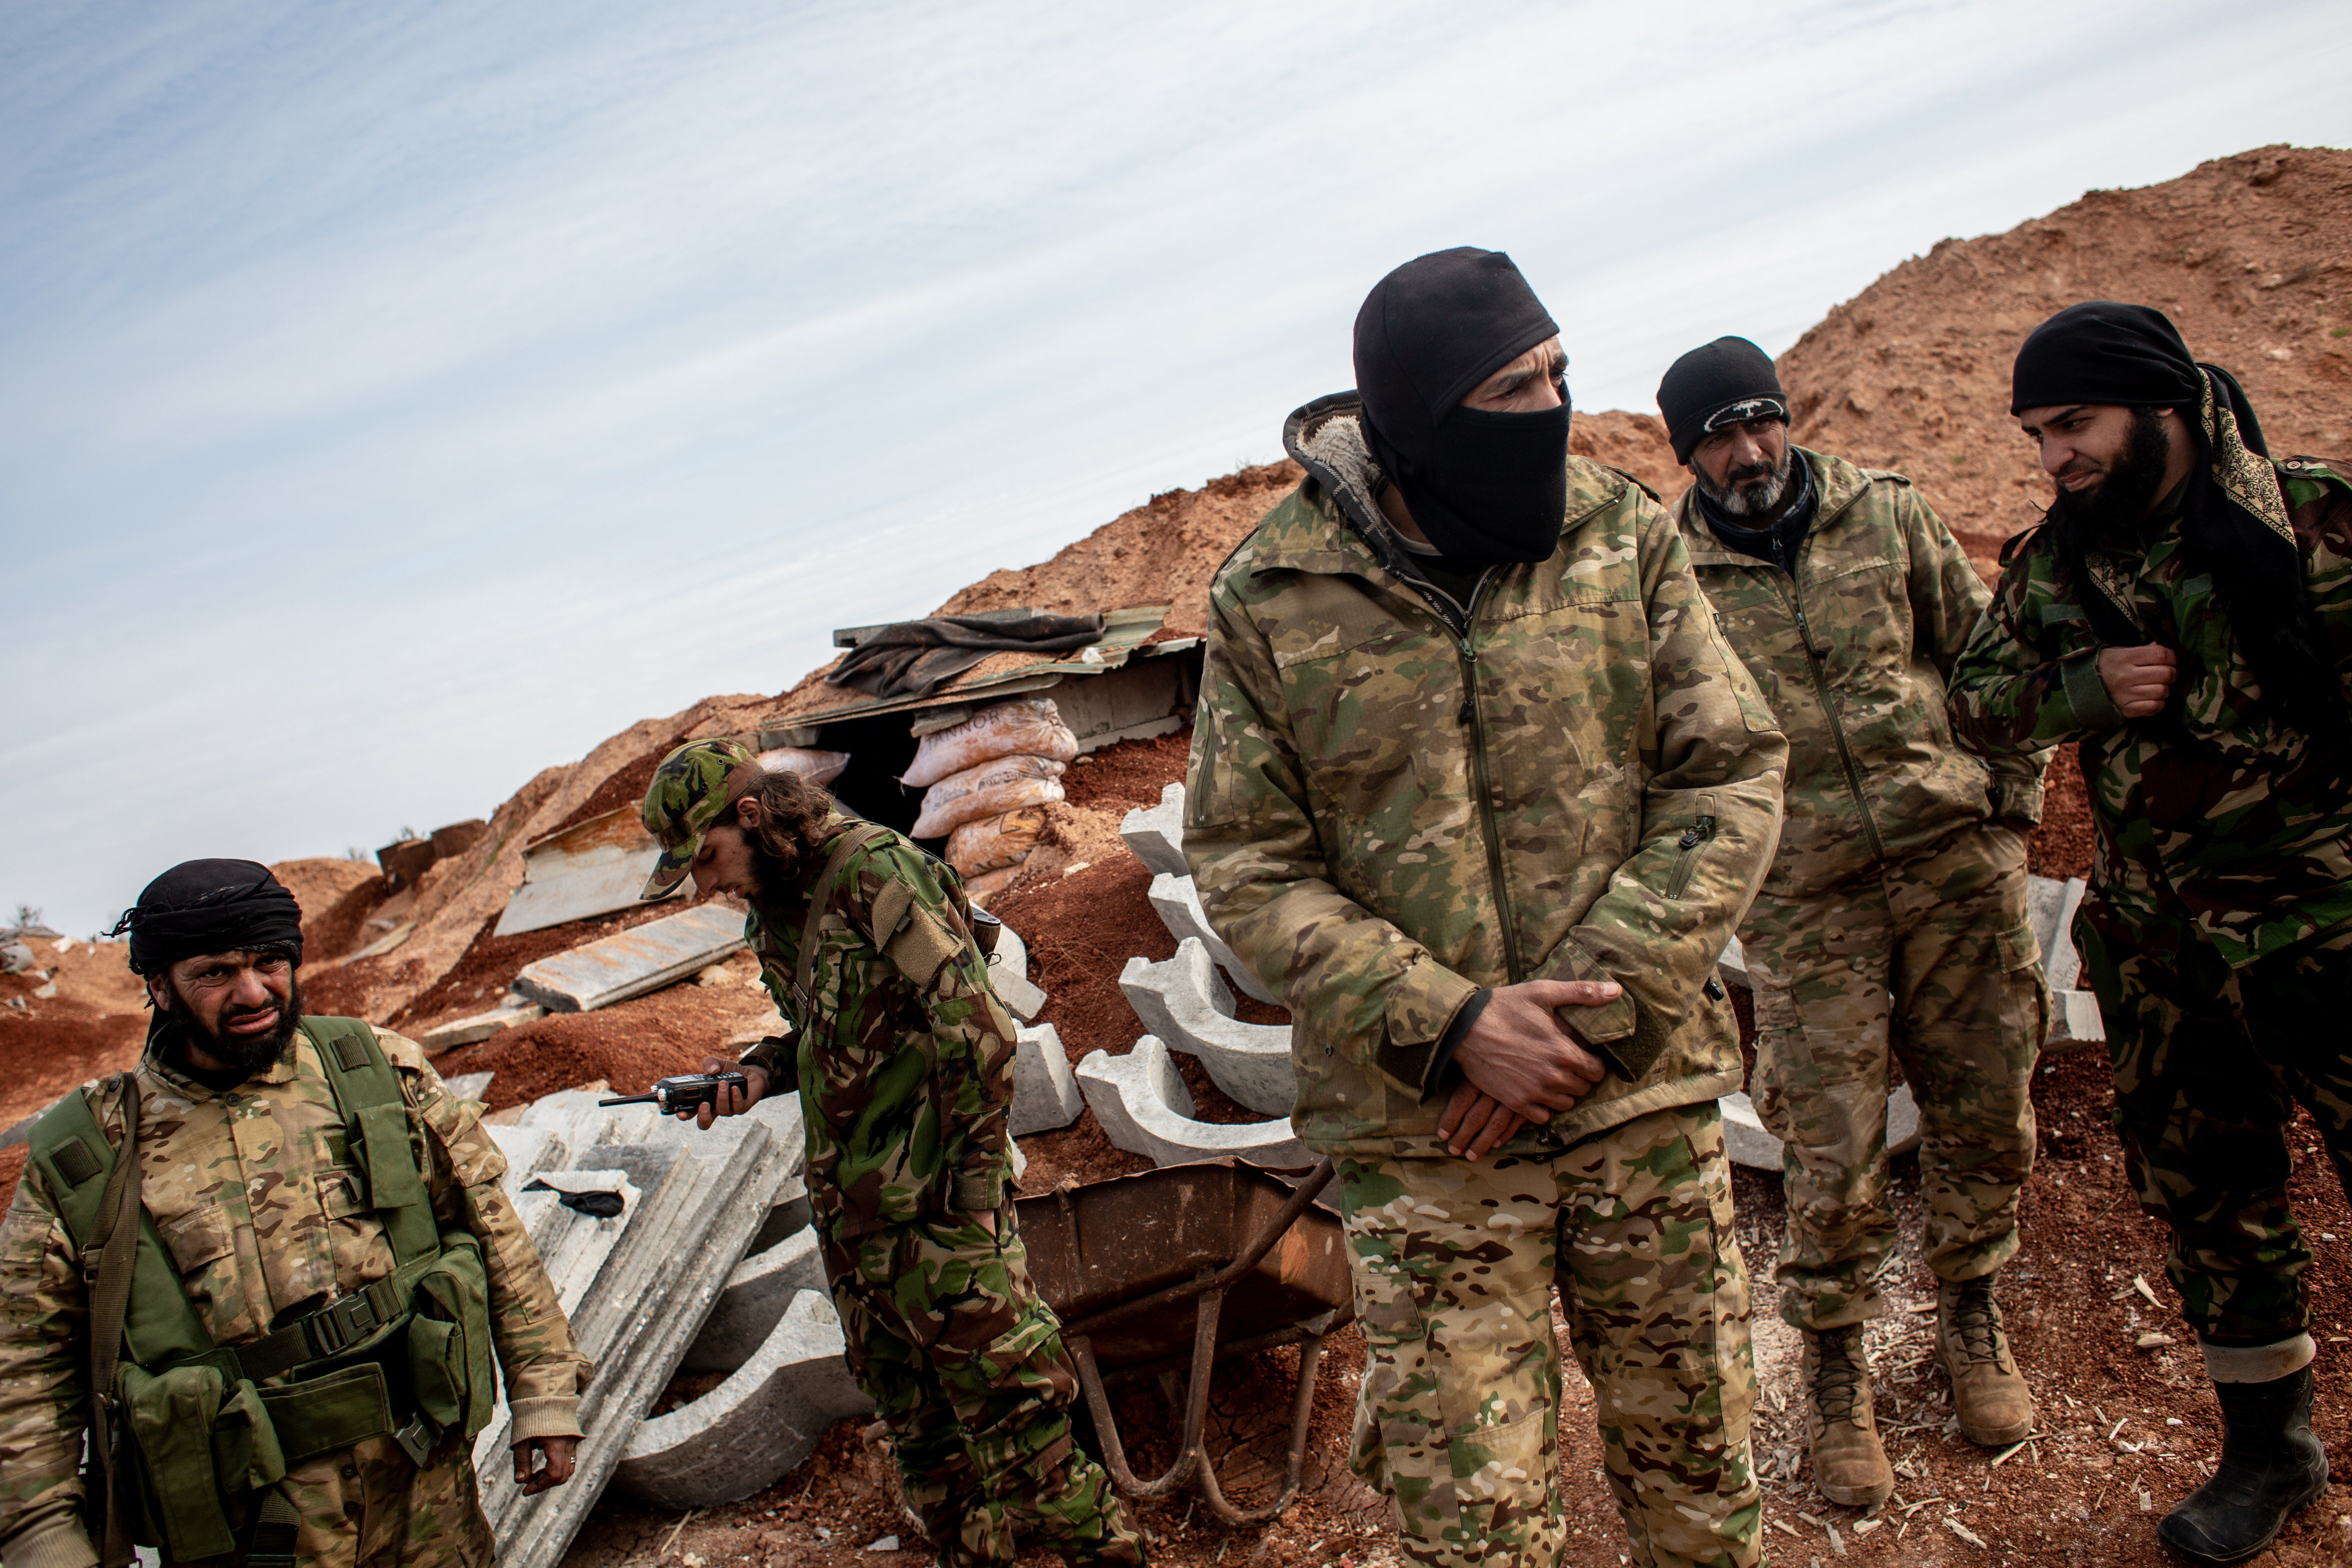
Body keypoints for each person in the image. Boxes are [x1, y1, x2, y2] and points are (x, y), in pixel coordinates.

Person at [1184, 247, 1788, 1568]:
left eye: (1561, 370)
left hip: (1641, 1101)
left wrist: (1586, 1021)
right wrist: (1453, 1023)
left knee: (1703, 1495)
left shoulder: (1619, 532)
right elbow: (1245, 859)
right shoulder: (1271, 599)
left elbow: (1731, 770)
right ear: (1418, 417)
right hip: (1429, 1147)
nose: (1558, 404)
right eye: (1517, 385)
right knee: (1477, 1529)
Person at [1948, 300, 2352, 1564]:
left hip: (2330, 933)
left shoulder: (2312, 523)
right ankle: (2270, 1451)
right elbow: (1974, 704)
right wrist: (2081, 692)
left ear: (2160, 405)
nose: (2054, 457)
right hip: (2163, 948)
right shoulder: (2060, 564)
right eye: (2035, 435)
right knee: (2209, 1202)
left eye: (2075, 425)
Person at [1654, 336, 2048, 1505]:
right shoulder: (1664, 575)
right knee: (1827, 1144)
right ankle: (1837, 1367)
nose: (1749, 449)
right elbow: (1659, 752)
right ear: (1688, 453)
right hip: (1806, 897)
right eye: (1719, 434)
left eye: (1761, 418)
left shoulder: (1886, 514)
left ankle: (1972, 1316)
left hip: (1950, 865)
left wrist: (2008, 811)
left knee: (1986, 1105)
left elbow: (1988, 658)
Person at [635, 740, 1142, 1568]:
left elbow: (978, 1030)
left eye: (708, 859)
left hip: (943, 1208)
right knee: (924, 1439)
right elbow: (827, 1032)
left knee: (1021, 1426)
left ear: (751, 817)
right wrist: (762, 1072)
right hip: (857, 1220)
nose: (708, 885)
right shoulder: (774, 914)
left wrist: (978, 1189)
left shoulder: (874, 873)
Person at [0, 860, 588, 1568]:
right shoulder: (89, 1151)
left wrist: (545, 1395)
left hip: (426, 1494)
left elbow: (493, 1230)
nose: (253, 992)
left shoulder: (375, 1071)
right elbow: (27, 1360)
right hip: (245, 1525)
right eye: (214, 973)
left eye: (269, 963)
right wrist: (44, 1535)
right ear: (159, 986)